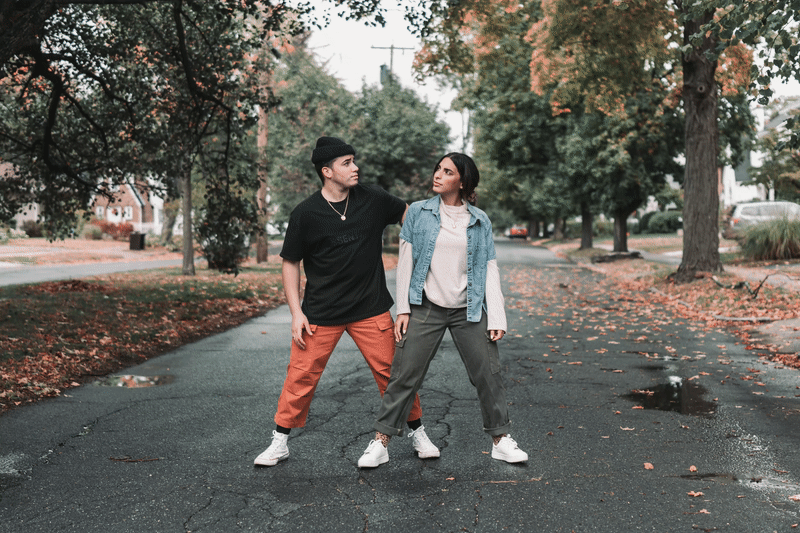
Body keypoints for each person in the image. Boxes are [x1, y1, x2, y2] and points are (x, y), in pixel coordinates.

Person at [255, 136, 439, 466]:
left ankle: (417, 432)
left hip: (369, 307)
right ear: (327, 171)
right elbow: (289, 262)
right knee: (301, 376)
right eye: (347, 163)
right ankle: (279, 441)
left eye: (354, 160)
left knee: (393, 374)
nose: (355, 168)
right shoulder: (305, 214)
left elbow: (411, 217)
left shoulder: (374, 199)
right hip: (320, 312)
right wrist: (296, 312)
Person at [357, 152, 528, 468]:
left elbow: (490, 267)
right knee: (405, 374)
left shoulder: (479, 219)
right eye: (437, 168)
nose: (437, 174)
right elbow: (405, 262)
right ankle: (381, 442)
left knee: (488, 374)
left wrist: (498, 315)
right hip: (426, 306)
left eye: (446, 171)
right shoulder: (419, 213)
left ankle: (501, 440)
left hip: (469, 308)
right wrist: (405, 309)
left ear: (461, 181)